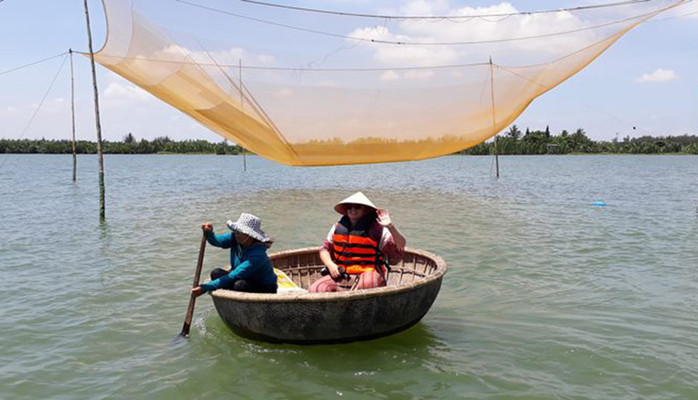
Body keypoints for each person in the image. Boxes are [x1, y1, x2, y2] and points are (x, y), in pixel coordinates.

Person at [310, 192, 406, 293]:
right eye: (349, 207)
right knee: (316, 289)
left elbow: (401, 245)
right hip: (342, 273)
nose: (353, 209)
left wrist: (390, 226)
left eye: (357, 207)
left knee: (367, 284)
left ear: (365, 209)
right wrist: (330, 265)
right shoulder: (337, 227)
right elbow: (325, 249)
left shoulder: (378, 229)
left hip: (368, 272)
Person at [191, 212, 277, 297]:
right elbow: (218, 241)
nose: (236, 235)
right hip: (244, 279)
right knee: (216, 273)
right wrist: (209, 233)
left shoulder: (258, 254)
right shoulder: (235, 238)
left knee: (239, 285)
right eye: (235, 231)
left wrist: (205, 288)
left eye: (239, 232)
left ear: (250, 235)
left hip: (265, 287)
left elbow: (235, 274)